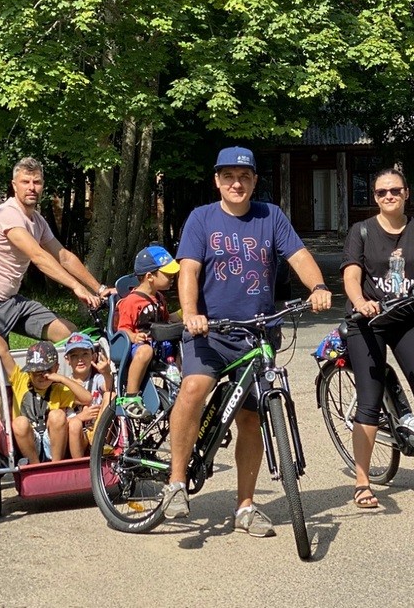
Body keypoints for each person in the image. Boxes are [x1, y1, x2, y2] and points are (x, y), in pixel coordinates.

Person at [159, 146, 333, 537]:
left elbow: (300, 256)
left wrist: (318, 286)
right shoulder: (201, 218)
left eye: (245, 177)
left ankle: (246, 506)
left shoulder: (271, 217)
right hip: (211, 332)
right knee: (193, 388)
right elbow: (189, 270)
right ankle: (175, 483)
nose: (236, 183)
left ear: (254, 181)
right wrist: (190, 312)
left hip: (258, 333)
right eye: (228, 177)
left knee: (252, 418)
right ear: (217, 180)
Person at [0, 157, 112, 498]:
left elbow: (63, 255)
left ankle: (71, 409)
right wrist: (75, 288)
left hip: (12, 300)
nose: (32, 188)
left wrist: (97, 287)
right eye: (26, 182)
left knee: (71, 336)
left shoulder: (37, 220)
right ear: (14, 185)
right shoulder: (7, 215)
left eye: (37, 182)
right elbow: (40, 259)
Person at [341, 169, 414, 510]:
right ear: (374, 197)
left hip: (406, 320)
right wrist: (360, 302)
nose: (388, 196)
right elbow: (351, 274)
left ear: (406, 193)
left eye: (394, 190)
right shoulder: (361, 231)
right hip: (368, 323)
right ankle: (362, 480)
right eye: (381, 192)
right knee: (370, 400)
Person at [0, 309, 93, 464]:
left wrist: (60, 378)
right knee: (20, 422)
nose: (42, 375)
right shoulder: (20, 380)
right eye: (36, 371)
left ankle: (56, 465)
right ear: (30, 370)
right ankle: (36, 465)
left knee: (57, 415)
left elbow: (87, 399)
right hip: (29, 440)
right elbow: (3, 351)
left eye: (47, 370)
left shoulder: (58, 388)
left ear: (56, 368)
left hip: (53, 440)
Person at [115, 245, 180, 418]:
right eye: (167, 274)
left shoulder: (159, 298)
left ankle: (180, 391)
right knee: (145, 350)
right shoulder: (131, 302)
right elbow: (122, 329)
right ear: (150, 277)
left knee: (183, 344)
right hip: (139, 346)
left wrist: (183, 314)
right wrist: (134, 336)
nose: (172, 277)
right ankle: (131, 396)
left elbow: (166, 321)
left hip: (160, 343)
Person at [63, 331, 114, 459]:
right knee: (75, 424)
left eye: (85, 354)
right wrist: (80, 417)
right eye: (74, 356)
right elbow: (60, 422)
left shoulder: (97, 379)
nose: (80, 359)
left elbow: (108, 387)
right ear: (67, 360)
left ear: (93, 356)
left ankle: (98, 440)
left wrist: (107, 373)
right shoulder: (63, 385)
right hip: (76, 434)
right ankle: (78, 464)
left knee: (111, 395)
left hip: (97, 429)